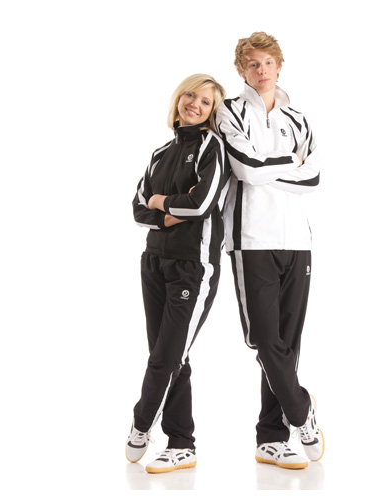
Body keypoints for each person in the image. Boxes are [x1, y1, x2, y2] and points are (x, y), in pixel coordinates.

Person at [216, 32, 324, 469]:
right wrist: (289, 162)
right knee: (264, 339)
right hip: (251, 239)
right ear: (241, 70)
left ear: (279, 66)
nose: (261, 71)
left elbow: (314, 176)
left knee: (288, 343)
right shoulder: (229, 111)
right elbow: (244, 168)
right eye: (252, 64)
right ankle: (300, 409)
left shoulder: (298, 117)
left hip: (297, 240)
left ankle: (271, 438)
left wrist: (267, 168)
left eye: (267, 63)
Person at [125, 74, 229, 474]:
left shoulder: (212, 147)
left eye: (205, 102)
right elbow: (138, 208)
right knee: (169, 354)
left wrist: (161, 203)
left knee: (168, 355)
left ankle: (141, 422)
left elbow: (201, 203)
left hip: (194, 265)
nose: (195, 105)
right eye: (190, 95)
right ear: (179, 98)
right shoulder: (160, 152)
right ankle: (182, 443)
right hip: (153, 262)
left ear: (212, 112)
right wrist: (166, 212)